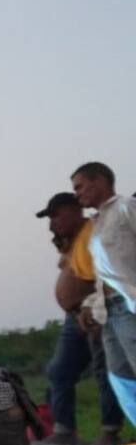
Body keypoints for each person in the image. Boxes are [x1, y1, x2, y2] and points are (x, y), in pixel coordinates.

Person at [36, 192, 123, 445]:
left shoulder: (95, 231)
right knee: (60, 371)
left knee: (105, 372)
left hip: (96, 313)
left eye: (56, 215)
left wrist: (96, 307)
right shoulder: (76, 240)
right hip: (74, 317)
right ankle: (64, 431)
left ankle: (110, 432)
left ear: (74, 210)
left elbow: (107, 274)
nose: (53, 222)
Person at [75, 162, 136, 429]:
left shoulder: (126, 208)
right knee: (121, 379)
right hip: (110, 311)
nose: (77, 194)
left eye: (80, 186)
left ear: (98, 181)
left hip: (128, 306)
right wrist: (91, 305)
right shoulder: (98, 224)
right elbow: (106, 274)